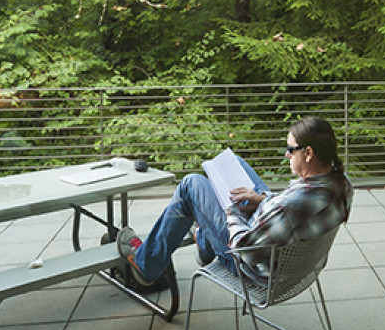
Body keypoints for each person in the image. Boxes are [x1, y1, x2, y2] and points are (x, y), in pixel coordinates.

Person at [116, 116, 353, 288]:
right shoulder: (342, 183)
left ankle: (147, 265)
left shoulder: (288, 206)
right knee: (236, 162)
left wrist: (229, 209)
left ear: (309, 153)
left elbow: (245, 250)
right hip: (292, 259)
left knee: (191, 185)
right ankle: (204, 237)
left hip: (252, 266)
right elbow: (291, 212)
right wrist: (261, 200)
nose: (286, 155)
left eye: (291, 149)